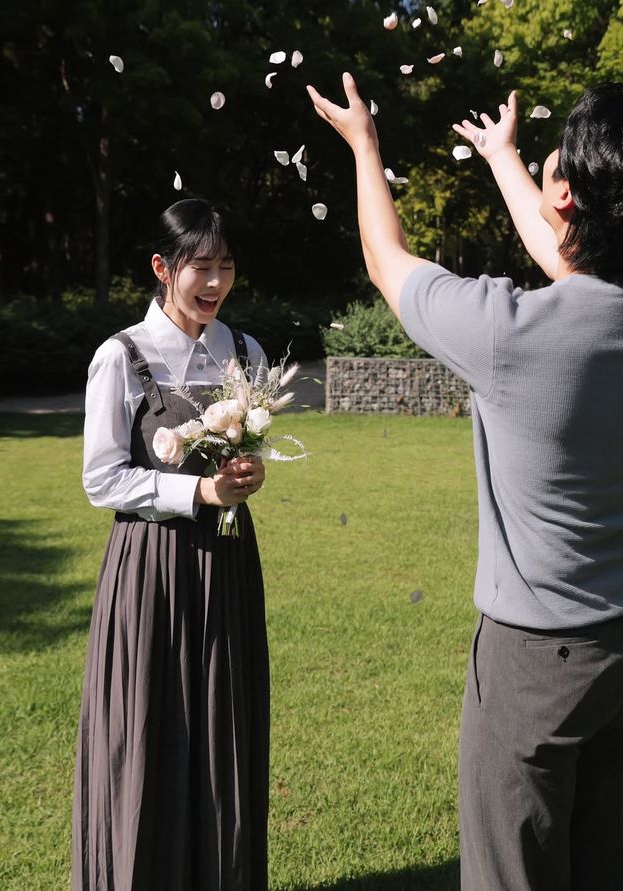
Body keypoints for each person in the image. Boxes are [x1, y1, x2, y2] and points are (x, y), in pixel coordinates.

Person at [307, 74, 623, 890]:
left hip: (533, 669)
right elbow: (570, 253)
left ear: (569, 193)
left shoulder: (512, 336)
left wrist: (365, 146)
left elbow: (387, 261)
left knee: (510, 870)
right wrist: (504, 157)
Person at [72, 198, 270, 891]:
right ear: (163, 268)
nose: (215, 282)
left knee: (224, 725)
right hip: (150, 570)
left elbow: (245, 458)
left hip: (228, 561)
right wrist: (196, 494)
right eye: (201, 267)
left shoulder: (244, 352)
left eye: (226, 266)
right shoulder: (121, 356)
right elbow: (103, 479)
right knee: (147, 726)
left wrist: (249, 474)